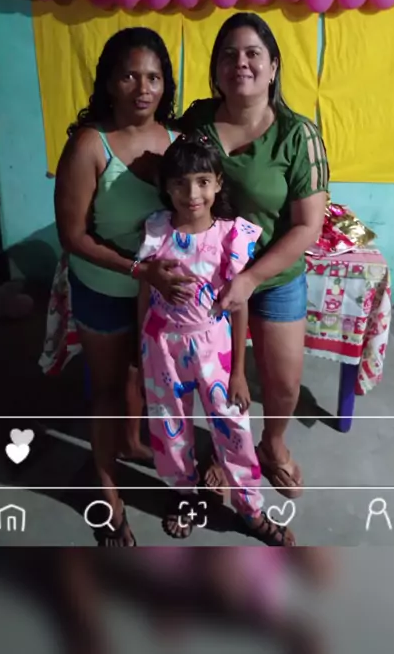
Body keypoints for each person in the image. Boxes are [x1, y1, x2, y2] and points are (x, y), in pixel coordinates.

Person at [54, 27, 196, 547]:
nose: (143, 88)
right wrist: (138, 271)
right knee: (109, 388)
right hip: (106, 290)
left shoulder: (178, 143)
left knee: (154, 382)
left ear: (165, 85)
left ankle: (138, 448)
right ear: (110, 82)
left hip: (161, 296)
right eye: (130, 76)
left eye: (154, 77)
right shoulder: (89, 145)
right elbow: (73, 236)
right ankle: (107, 489)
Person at [179, 11, 329, 499]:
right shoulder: (196, 124)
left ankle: (272, 444)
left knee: (282, 383)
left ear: (273, 66)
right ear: (216, 68)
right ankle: (227, 450)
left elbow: (308, 225)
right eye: (228, 54)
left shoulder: (298, 135)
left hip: (273, 279)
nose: (239, 63)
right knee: (216, 378)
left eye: (252, 53)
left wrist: (250, 278)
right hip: (207, 279)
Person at [136, 134, 296, 546]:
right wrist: (142, 349)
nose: (192, 194)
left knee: (234, 428)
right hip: (162, 346)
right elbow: (145, 292)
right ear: (166, 186)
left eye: (203, 181)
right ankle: (185, 496)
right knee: (170, 427)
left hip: (214, 348)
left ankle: (250, 509)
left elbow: (238, 306)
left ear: (218, 183)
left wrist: (239, 372)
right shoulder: (157, 230)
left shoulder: (230, 236)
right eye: (181, 183)